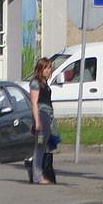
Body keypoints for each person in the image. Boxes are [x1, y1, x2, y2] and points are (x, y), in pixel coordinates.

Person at [29, 57, 57, 185]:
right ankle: (37, 176)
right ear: (40, 69)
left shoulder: (44, 83)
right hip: (42, 115)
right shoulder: (35, 83)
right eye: (45, 68)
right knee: (39, 147)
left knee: (45, 145)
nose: (47, 70)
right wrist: (38, 121)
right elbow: (34, 103)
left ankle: (40, 173)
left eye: (49, 68)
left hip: (47, 116)